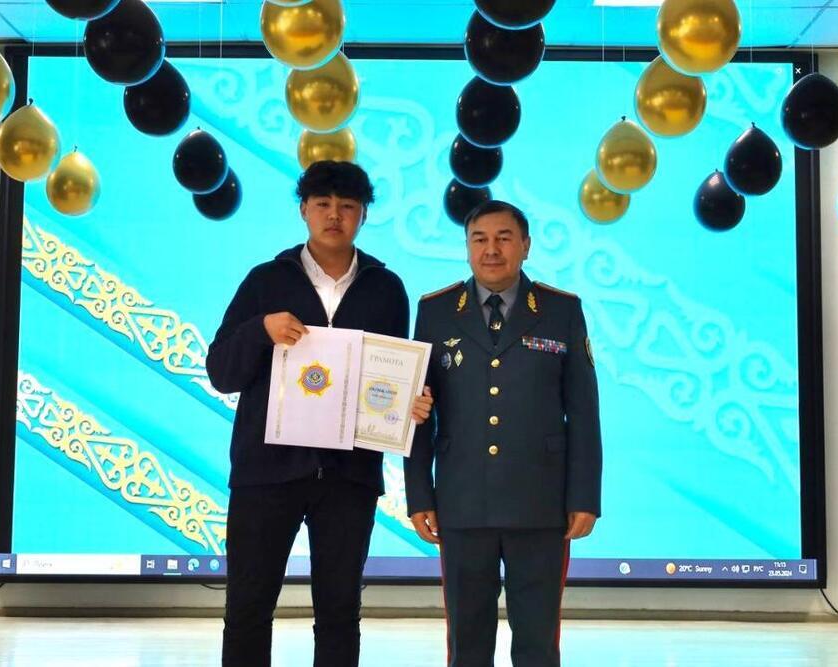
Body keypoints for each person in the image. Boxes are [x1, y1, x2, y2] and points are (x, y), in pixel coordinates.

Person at [206, 160, 432, 667]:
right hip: (266, 473)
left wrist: (411, 404)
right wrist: (260, 330)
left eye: (348, 206)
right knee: (247, 608)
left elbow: (391, 378)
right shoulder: (265, 281)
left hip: (349, 478)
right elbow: (220, 371)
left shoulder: (385, 287)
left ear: (364, 214)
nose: (335, 215)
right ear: (303, 210)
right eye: (323, 204)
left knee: (339, 613)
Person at [405, 199, 602, 667]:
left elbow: (584, 412)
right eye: (480, 239)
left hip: (540, 502)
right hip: (461, 501)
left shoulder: (561, 310)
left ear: (526, 246)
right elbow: (417, 410)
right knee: (467, 641)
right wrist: (418, 495)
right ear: (467, 247)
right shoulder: (435, 311)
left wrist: (584, 497)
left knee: (537, 641)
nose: (491, 250)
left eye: (504, 238)